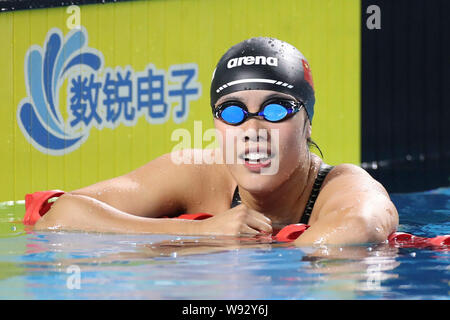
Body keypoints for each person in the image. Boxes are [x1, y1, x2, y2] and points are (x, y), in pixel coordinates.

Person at [35, 37, 399, 246]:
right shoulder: (196, 172)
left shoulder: (340, 186)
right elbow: (60, 214)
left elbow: (361, 226)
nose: (253, 129)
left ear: (307, 122)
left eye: (275, 110)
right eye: (233, 112)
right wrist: (198, 231)